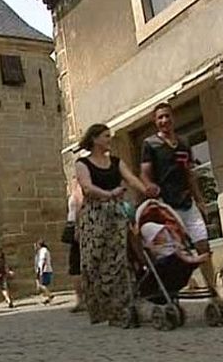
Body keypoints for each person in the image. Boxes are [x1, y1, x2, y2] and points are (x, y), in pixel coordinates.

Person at [75, 124, 155, 328]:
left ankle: (122, 309)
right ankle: (103, 309)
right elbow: (87, 187)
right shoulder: (82, 163)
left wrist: (147, 191)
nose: (109, 139)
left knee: (118, 262)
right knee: (94, 264)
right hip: (94, 218)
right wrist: (108, 194)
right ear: (94, 139)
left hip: (116, 215)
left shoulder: (116, 162)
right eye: (105, 136)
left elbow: (130, 178)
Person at [139, 103, 217, 293]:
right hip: (167, 206)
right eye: (160, 118)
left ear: (173, 118)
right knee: (179, 251)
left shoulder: (183, 144)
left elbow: (190, 173)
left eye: (166, 116)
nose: (164, 120)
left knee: (203, 246)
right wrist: (150, 188)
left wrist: (199, 199)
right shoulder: (150, 144)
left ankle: (213, 291)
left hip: (188, 203)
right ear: (155, 121)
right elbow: (144, 173)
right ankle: (184, 285)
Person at [66, 178, 86, 313]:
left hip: (78, 227)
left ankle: (82, 299)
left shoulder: (79, 192)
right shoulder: (75, 192)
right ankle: (81, 299)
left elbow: (80, 208)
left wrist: (78, 227)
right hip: (75, 226)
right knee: (76, 264)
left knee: (76, 265)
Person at [35, 240, 54, 304]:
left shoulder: (43, 250)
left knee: (41, 285)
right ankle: (47, 299)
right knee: (43, 285)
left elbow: (43, 260)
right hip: (43, 270)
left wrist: (41, 270)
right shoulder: (41, 251)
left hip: (44, 270)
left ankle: (49, 295)